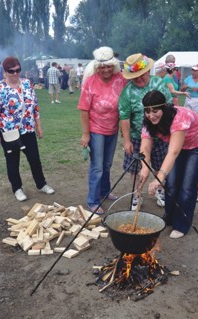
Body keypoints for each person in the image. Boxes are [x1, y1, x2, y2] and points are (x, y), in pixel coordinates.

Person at [139, 90, 198, 239]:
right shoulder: (148, 121)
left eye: (155, 111)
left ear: (164, 108)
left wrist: (159, 176)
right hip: (180, 146)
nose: (151, 115)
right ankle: (170, 217)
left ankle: (182, 225)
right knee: (172, 183)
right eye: (147, 111)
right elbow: (145, 148)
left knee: (187, 185)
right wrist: (144, 170)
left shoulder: (179, 118)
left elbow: (173, 152)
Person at [118, 53, 173, 209]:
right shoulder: (127, 92)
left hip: (160, 135)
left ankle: (160, 189)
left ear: (147, 71)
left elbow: (169, 108)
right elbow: (125, 118)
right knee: (136, 169)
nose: (139, 79)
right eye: (135, 77)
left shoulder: (159, 84)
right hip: (137, 137)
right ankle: (137, 194)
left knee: (160, 165)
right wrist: (127, 140)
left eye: (141, 75)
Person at [0, 56, 54, 201]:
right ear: (5, 72)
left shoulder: (27, 84)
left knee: (35, 159)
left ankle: (41, 184)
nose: (15, 74)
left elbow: (34, 106)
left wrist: (39, 126)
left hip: (28, 128)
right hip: (9, 131)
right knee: (12, 161)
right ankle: (17, 188)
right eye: (11, 71)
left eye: (18, 70)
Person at [78, 46, 127, 214]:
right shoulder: (90, 82)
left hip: (112, 128)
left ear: (113, 65)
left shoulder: (120, 79)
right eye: (102, 67)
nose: (106, 70)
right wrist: (86, 134)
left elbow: (127, 98)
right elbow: (83, 109)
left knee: (107, 164)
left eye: (109, 66)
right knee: (97, 166)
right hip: (96, 129)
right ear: (97, 67)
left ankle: (105, 191)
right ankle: (93, 200)